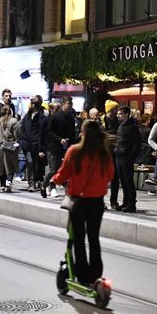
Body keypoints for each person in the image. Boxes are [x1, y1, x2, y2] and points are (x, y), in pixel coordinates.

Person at [50, 120, 114, 287]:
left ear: (83, 133)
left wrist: (53, 181)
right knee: (94, 238)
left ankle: (83, 275)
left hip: (78, 201)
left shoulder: (74, 151)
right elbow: (110, 175)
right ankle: (96, 275)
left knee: (78, 237)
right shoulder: (104, 154)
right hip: (97, 202)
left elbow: (63, 173)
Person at [42, 101, 74, 198]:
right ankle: (44, 185)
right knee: (54, 169)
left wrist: (71, 143)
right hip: (55, 147)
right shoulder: (55, 117)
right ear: (64, 104)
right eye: (68, 104)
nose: (70, 106)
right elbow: (50, 132)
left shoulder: (71, 118)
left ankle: (67, 188)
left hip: (67, 147)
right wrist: (60, 139)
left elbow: (72, 133)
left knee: (65, 169)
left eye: (71, 105)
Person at [114, 105, 141, 213]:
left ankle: (131, 203)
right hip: (119, 156)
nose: (118, 115)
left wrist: (131, 157)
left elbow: (137, 143)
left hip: (126, 157)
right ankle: (126, 202)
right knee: (123, 180)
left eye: (120, 114)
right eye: (118, 113)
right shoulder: (121, 125)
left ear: (126, 114)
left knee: (128, 180)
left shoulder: (133, 127)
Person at [0, 105, 20, 193]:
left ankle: (2, 185)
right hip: (10, 146)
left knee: (1, 167)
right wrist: (17, 143)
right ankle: (9, 182)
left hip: (0, 146)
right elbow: (17, 134)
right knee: (11, 165)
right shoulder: (14, 121)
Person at [21, 96, 46, 193]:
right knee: (30, 162)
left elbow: (42, 133)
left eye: (33, 103)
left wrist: (41, 147)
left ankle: (37, 181)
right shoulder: (27, 116)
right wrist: (23, 140)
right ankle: (31, 183)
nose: (31, 105)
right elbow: (22, 128)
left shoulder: (41, 117)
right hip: (27, 144)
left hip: (36, 144)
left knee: (36, 164)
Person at [103, 100, 122, 209]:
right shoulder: (101, 121)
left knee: (115, 178)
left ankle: (113, 201)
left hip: (115, 152)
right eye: (115, 109)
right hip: (103, 152)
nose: (116, 111)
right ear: (110, 110)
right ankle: (100, 200)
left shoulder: (118, 122)